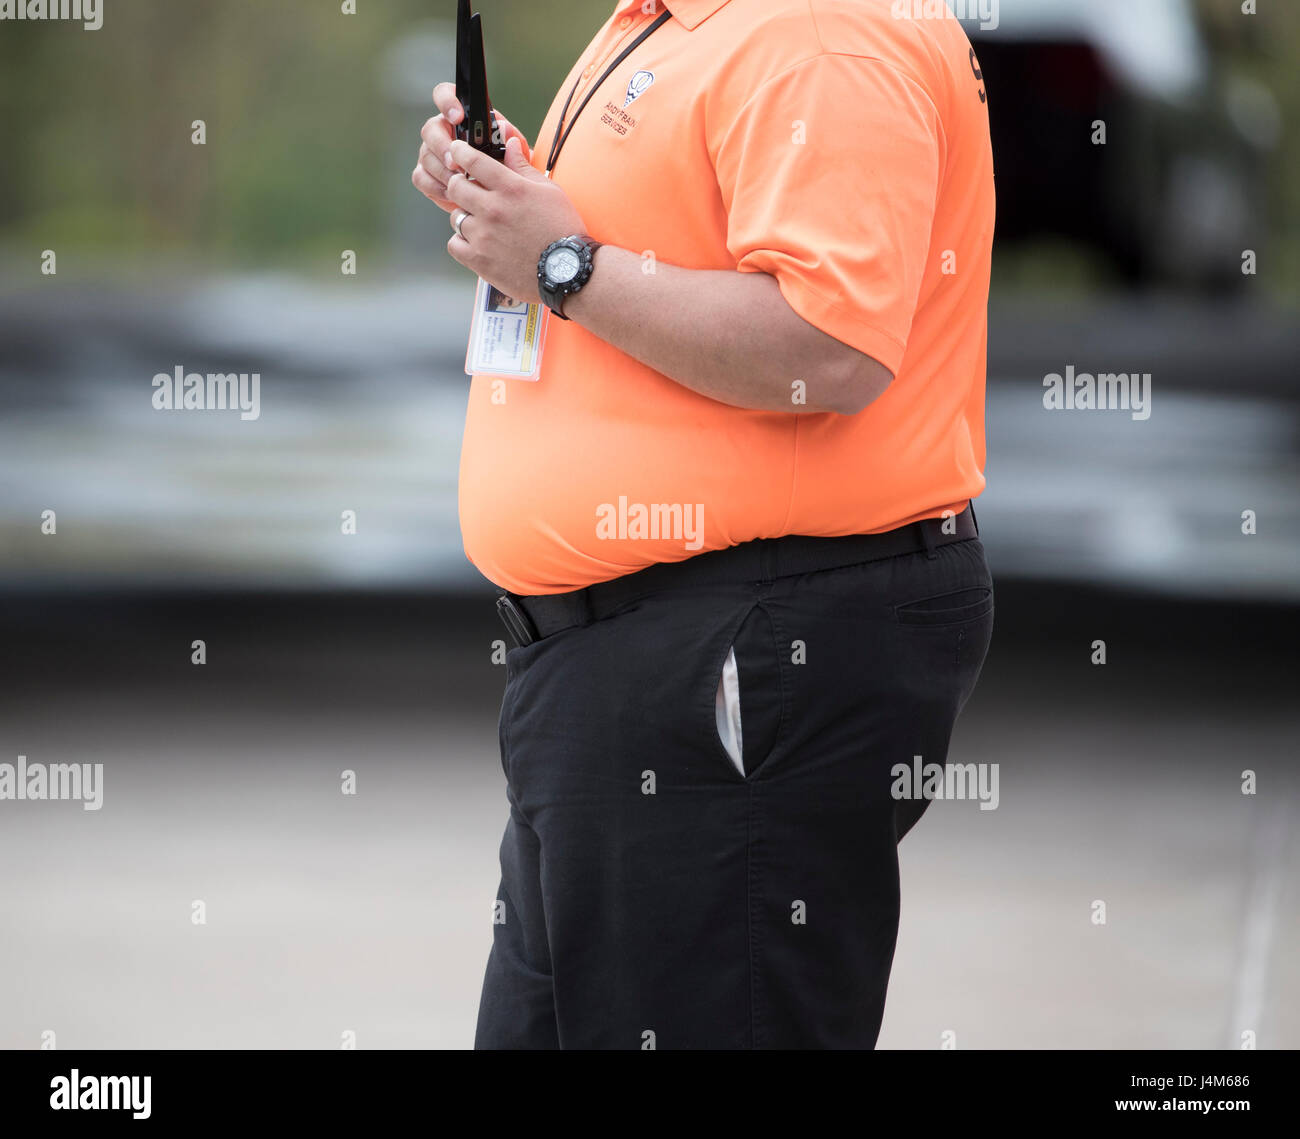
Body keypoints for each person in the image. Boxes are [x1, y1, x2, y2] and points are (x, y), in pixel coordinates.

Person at [413, 0, 995, 1049]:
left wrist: (561, 263)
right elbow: (662, 243)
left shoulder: (818, 29)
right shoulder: (668, 19)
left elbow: (829, 347)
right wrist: (517, 203)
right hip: (631, 661)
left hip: (739, 642)